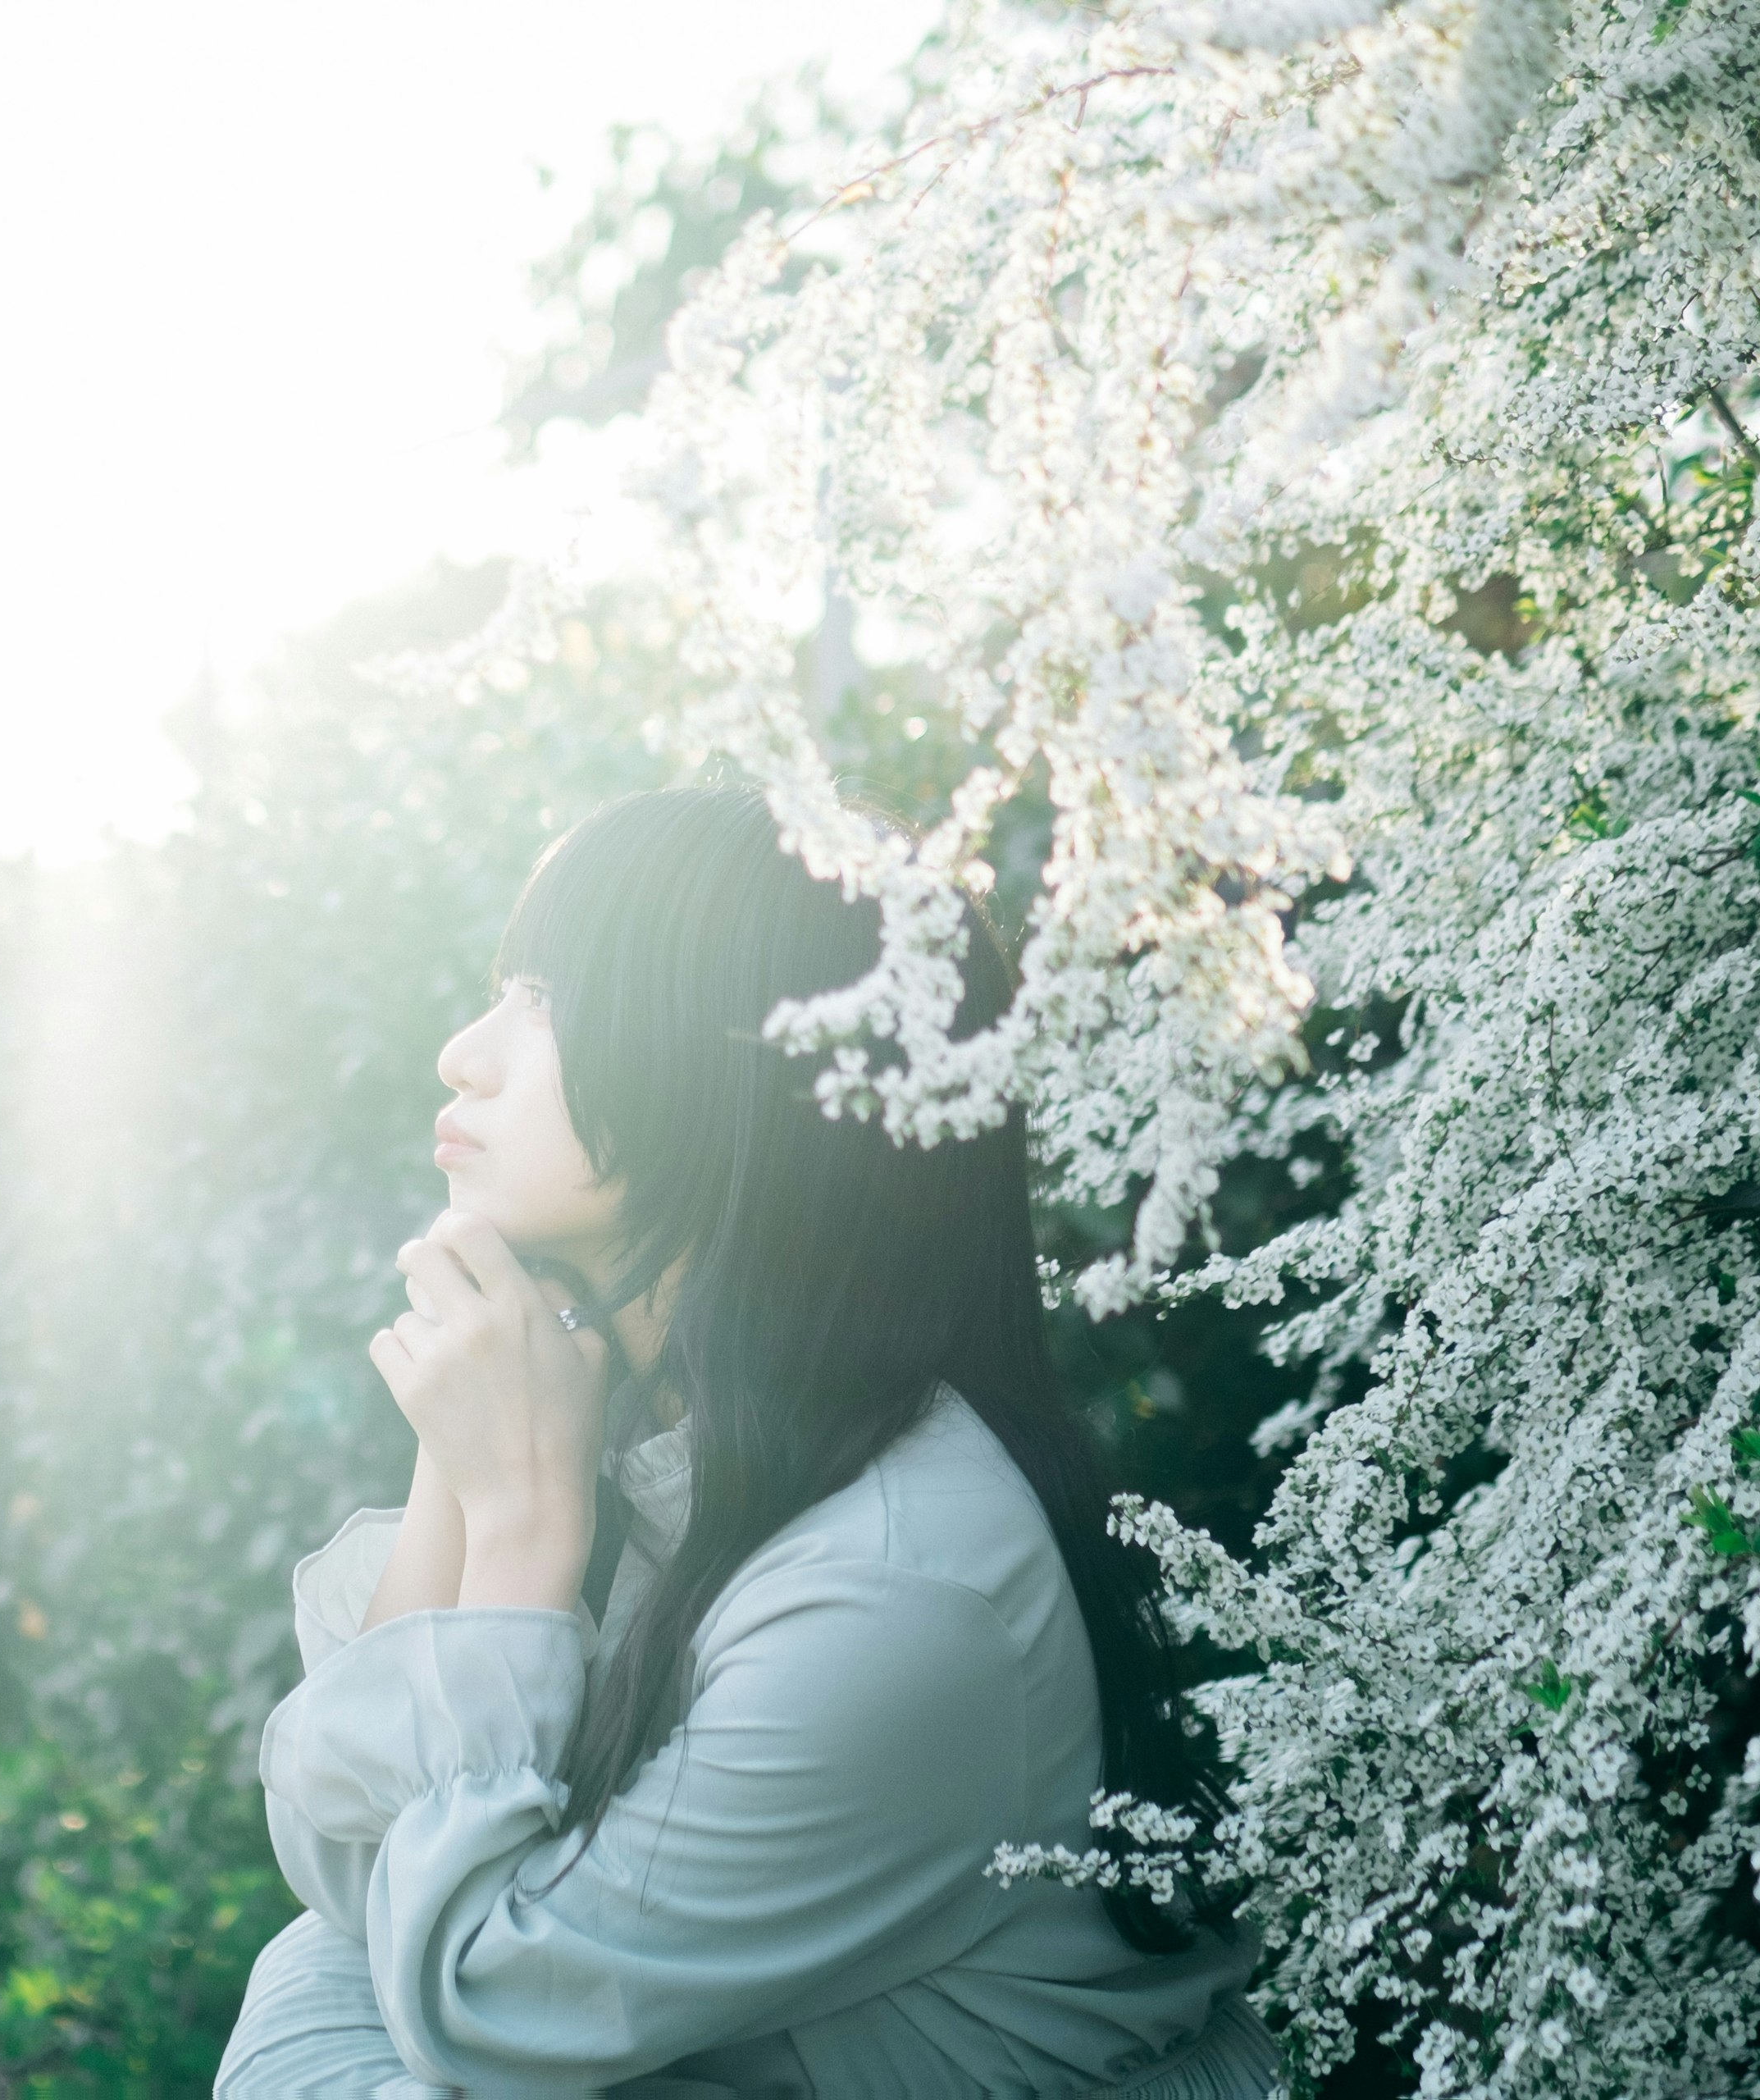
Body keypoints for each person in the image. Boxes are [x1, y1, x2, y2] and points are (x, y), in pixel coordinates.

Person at [217, 788, 1275, 2097]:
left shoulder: (893, 1589)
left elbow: (476, 2005)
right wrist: (472, 1445)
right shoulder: (660, 1425)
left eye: (547, 1000)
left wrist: (523, 1531)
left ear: (744, 1073)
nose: (465, 1053)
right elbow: (344, 1863)